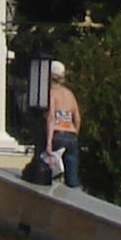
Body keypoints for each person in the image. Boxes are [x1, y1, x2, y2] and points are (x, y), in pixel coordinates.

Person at [44, 61, 84, 191]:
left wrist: (49, 142)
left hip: (57, 134)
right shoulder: (69, 94)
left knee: (50, 173)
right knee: (72, 179)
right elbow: (77, 117)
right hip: (71, 134)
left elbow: (51, 117)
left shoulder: (52, 93)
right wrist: (74, 133)